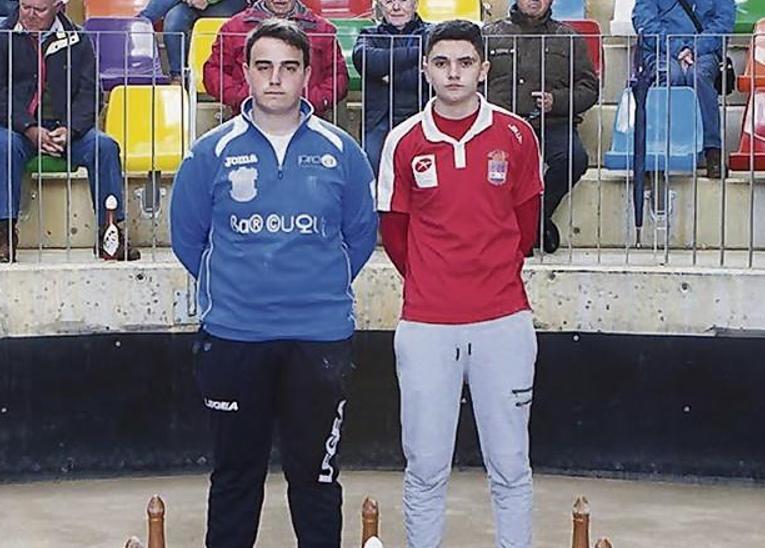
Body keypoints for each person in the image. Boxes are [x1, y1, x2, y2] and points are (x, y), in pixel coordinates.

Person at [170, 18, 378, 548]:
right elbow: (189, 240)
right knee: (236, 478)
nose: (276, 80)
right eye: (264, 67)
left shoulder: (342, 152)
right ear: (245, 73)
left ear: (308, 74)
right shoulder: (210, 153)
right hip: (235, 338)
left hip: (319, 341)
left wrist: (312, 287)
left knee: (316, 480)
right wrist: (243, 291)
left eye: (289, 68)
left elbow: (358, 236)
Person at [377, 19, 543, 548]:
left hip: (504, 322)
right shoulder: (402, 142)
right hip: (427, 324)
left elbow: (526, 226)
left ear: (484, 70)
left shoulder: (517, 134)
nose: (454, 73)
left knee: (511, 463)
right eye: (442, 62)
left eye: (465, 62)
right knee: (425, 465)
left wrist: (484, 279)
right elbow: (395, 233)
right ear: (425, 69)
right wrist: (438, 282)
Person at [0, 0, 139, 262]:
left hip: (65, 129)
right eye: (25, 6)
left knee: (104, 146)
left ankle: (111, 233)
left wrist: (70, 130)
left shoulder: (79, 40)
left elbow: (90, 95)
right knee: (4, 147)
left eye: (39, 10)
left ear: (58, 6)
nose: (30, 15)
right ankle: (5, 235)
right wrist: (29, 128)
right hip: (17, 127)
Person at [483, 0, 598, 253]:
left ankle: (533, 221)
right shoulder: (489, 35)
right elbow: (473, 82)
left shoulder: (569, 38)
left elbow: (590, 89)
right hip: (502, 125)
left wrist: (557, 101)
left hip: (552, 123)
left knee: (574, 158)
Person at [633, 0, 734, 179]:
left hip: (703, 50)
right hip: (661, 50)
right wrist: (677, 49)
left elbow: (724, 22)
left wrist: (694, 49)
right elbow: (645, 21)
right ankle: (657, 145)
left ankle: (713, 151)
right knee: (671, 75)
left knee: (698, 76)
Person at [203, 0, 349, 116]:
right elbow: (213, 71)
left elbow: (338, 75)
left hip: (309, 118)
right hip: (246, 117)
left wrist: (310, 100)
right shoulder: (233, 28)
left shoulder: (324, 30)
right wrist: (245, 96)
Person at [352, 0, 432, 170]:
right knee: (373, 175)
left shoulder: (432, 35)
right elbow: (366, 60)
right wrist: (420, 53)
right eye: (389, 1)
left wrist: (387, 74)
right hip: (379, 122)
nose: (396, 7)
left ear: (415, 4)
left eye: (403, 1)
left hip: (423, 118)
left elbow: (432, 75)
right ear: (380, 5)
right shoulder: (368, 35)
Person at [137, 0, 249, 84]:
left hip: (229, 3)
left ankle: (140, 22)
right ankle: (178, 75)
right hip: (190, 3)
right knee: (173, 22)